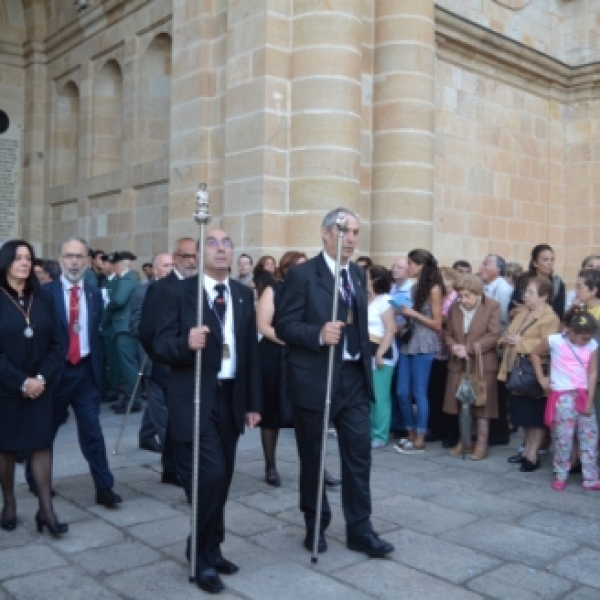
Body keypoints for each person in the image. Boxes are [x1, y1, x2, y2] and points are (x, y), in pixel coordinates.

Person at [275, 207, 394, 559]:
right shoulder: (302, 276)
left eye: (356, 232)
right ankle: (316, 525)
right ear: (325, 233)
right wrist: (316, 333)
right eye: (344, 231)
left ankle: (361, 529)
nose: (351, 239)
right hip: (315, 378)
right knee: (313, 456)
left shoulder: (357, 273)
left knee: (358, 457)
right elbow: (284, 325)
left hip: (354, 378)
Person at [153, 229, 262, 594]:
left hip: (231, 398)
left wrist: (253, 403)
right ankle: (198, 555)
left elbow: (250, 353)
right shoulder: (179, 292)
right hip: (195, 396)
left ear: (233, 253)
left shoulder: (244, 295)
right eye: (212, 243)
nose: (220, 249)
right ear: (199, 253)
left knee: (224, 476)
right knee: (209, 475)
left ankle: (213, 548)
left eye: (226, 243)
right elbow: (159, 345)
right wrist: (186, 343)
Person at [26, 236, 122, 508]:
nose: (74, 262)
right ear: (60, 260)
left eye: (80, 256)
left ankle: (104, 487)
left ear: (87, 261)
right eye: (69, 256)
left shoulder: (93, 294)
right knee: (47, 430)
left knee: (92, 431)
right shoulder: (45, 294)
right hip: (56, 375)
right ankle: (36, 481)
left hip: (85, 374)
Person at [0, 240, 66, 534]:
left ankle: (46, 510)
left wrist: (40, 379)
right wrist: (20, 381)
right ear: (6, 263)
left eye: (28, 258)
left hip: (41, 386)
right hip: (6, 387)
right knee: (6, 448)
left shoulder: (45, 298)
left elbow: (59, 343)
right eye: (18, 258)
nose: (25, 263)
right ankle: (10, 503)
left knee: (42, 445)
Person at [139, 237, 200, 491]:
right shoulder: (161, 287)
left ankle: (172, 468)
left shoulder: (200, 285)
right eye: (186, 256)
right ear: (175, 258)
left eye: (195, 256)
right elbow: (146, 330)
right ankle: (179, 471)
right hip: (168, 363)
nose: (191, 261)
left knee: (180, 421)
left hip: (193, 364)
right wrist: (161, 357)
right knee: (174, 420)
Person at [531, 309, 599, 490]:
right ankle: (561, 474)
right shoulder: (555, 341)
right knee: (563, 438)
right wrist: (542, 378)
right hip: (563, 396)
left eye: (589, 338)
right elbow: (535, 353)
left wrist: (590, 400)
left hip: (583, 394)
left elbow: (592, 373)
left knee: (589, 437)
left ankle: (590, 476)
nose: (587, 342)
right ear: (571, 332)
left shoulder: (592, 345)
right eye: (583, 338)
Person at [499, 276, 560, 471]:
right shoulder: (522, 313)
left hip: (534, 372)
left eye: (531, 293)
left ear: (544, 296)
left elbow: (549, 345)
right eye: (526, 292)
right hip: (516, 370)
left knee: (535, 417)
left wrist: (520, 342)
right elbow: (507, 334)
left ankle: (533, 454)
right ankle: (525, 450)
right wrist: (506, 339)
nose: (526, 296)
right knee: (523, 415)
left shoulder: (550, 318)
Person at [257, 250, 307, 486]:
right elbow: (264, 326)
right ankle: (270, 465)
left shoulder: (311, 291)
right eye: (297, 267)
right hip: (275, 354)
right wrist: (292, 339)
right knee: (272, 411)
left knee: (307, 413)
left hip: (303, 356)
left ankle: (315, 467)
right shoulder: (273, 290)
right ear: (285, 269)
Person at [443, 274, 501, 460]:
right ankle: (465, 440)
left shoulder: (492, 306)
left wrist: (468, 348)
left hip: (482, 362)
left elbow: (493, 335)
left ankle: (482, 444)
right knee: (461, 402)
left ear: (478, 293)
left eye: (467, 295)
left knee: (482, 406)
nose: (463, 299)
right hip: (458, 362)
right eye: (460, 295)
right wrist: (454, 347)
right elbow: (448, 333)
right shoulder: (455, 307)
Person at [394, 249, 443, 454]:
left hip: (425, 342)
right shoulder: (415, 288)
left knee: (420, 391)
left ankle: (420, 437)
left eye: (411, 264)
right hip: (409, 340)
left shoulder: (434, 289)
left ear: (421, 265)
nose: (409, 267)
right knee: (402, 391)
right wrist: (403, 315)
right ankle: (411, 431)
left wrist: (412, 313)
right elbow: (414, 316)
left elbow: (437, 323)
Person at [130, 252, 174, 453]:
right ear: (154, 270)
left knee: (159, 403)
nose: (169, 269)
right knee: (160, 405)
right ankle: (171, 451)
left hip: (172, 356)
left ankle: (146, 435)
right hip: (151, 355)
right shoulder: (143, 292)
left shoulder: (178, 289)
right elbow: (135, 325)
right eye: (165, 266)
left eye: (172, 265)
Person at [480, 253, 514, 446]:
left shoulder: (503, 289)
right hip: (489, 344)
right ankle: (492, 428)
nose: (482, 267)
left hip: (497, 347)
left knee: (498, 391)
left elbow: (501, 320)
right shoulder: (487, 287)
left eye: (486, 264)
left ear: (498, 269)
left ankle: (499, 431)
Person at [427, 266, 459, 447]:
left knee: (449, 394)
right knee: (435, 392)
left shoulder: (455, 298)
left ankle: (450, 433)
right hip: (436, 350)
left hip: (449, 350)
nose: (443, 283)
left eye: (447, 279)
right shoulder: (438, 297)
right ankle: (436, 428)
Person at [366, 265, 397, 448]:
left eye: (366, 276)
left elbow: (390, 328)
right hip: (365, 352)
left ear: (375, 280)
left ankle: (380, 434)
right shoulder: (367, 299)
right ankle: (368, 430)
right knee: (368, 395)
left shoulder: (386, 300)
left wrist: (380, 353)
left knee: (380, 396)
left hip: (381, 352)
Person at [106, 251, 141, 414]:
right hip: (123, 327)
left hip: (124, 328)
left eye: (114, 265)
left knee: (128, 367)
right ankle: (128, 398)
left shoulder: (127, 279)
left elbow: (118, 300)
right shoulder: (126, 279)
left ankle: (133, 400)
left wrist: (107, 307)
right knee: (127, 366)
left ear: (118, 265)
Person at [573, 270, 600, 429]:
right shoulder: (580, 311)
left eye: (580, 287)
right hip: (579, 373)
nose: (576, 291)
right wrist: (573, 312)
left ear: (593, 290)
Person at [509, 244, 565, 320]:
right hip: (523, 324)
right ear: (535, 263)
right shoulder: (523, 280)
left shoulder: (557, 283)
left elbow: (558, 314)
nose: (550, 263)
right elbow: (512, 310)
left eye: (552, 259)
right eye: (545, 260)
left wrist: (529, 308)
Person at [99, 255, 120, 404]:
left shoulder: (118, 282)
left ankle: (113, 390)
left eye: (105, 263)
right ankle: (103, 389)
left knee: (113, 362)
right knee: (102, 360)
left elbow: (113, 304)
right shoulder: (104, 281)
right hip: (102, 327)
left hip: (111, 327)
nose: (102, 266)